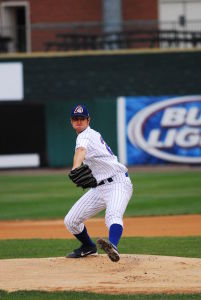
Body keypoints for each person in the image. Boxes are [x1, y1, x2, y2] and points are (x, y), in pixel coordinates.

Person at [64, 104, 133, 262]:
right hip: (99, 187)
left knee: (113, 215)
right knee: (71, 220)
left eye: (82, 118)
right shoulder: (87, 135)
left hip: (118, 183)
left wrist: (75, 168)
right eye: (76, 119)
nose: (79, 121)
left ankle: (113, 246)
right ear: (71, 121)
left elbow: (80, 151)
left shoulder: (85, 135)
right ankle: (88, 247)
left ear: (88, 120)